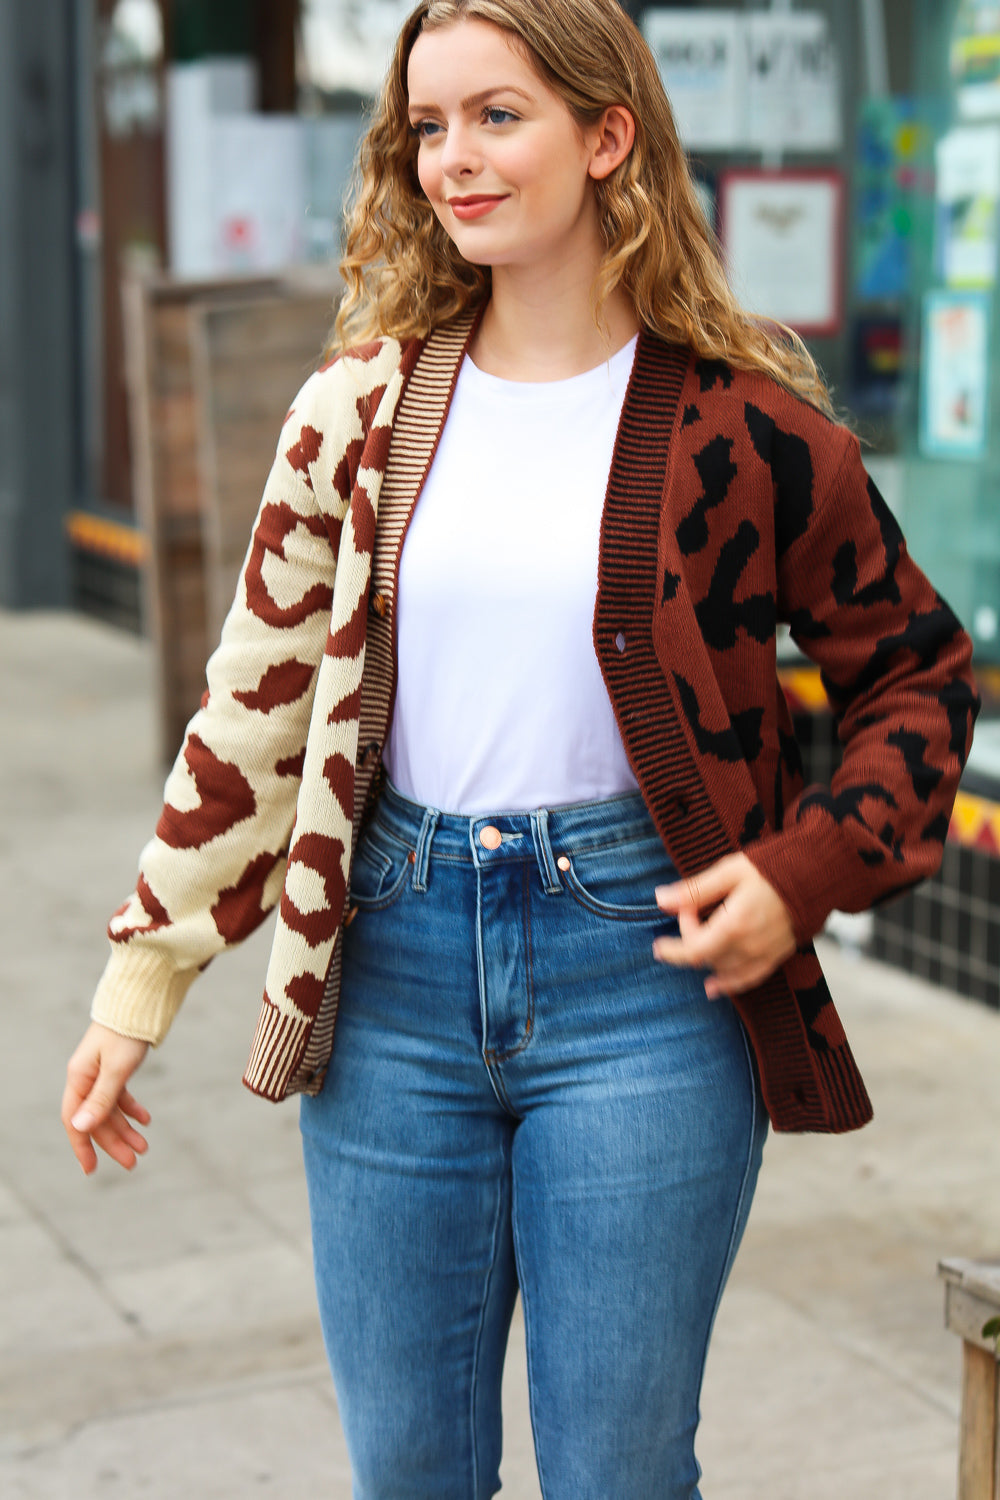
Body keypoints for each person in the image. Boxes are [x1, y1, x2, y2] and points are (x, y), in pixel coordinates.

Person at [62, 1, 979, 1496]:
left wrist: (801, 872)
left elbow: (921, 678)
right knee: (409, 1471)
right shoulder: (354, 412)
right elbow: (256, 704)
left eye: (499, 116)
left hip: (646, 984)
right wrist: (140, 979)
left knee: (617, 1470)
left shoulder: (748, 430)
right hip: (393, 976)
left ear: (607, 135)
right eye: (428, 125)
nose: (453, 160)